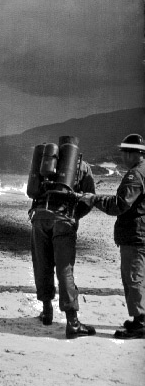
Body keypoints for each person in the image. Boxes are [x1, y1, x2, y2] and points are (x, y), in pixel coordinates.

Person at [79, 133, 145, 339]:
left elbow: (120, 205)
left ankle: (141, 323)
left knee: (133, 277)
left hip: (136, 235)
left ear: (135, 153)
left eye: (125, 152)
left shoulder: (136, 175)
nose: (122, 156)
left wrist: (93, 199)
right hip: (141, 233)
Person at [29, 152, 96, 339]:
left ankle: (47, 311)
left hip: (40, 217)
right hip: (63, 219)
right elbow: (90, 198)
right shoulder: (82, 165)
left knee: (42, 265)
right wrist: (75, 217)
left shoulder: (44, 161)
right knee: (64, 270)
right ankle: (72, 322)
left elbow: (33, 190)